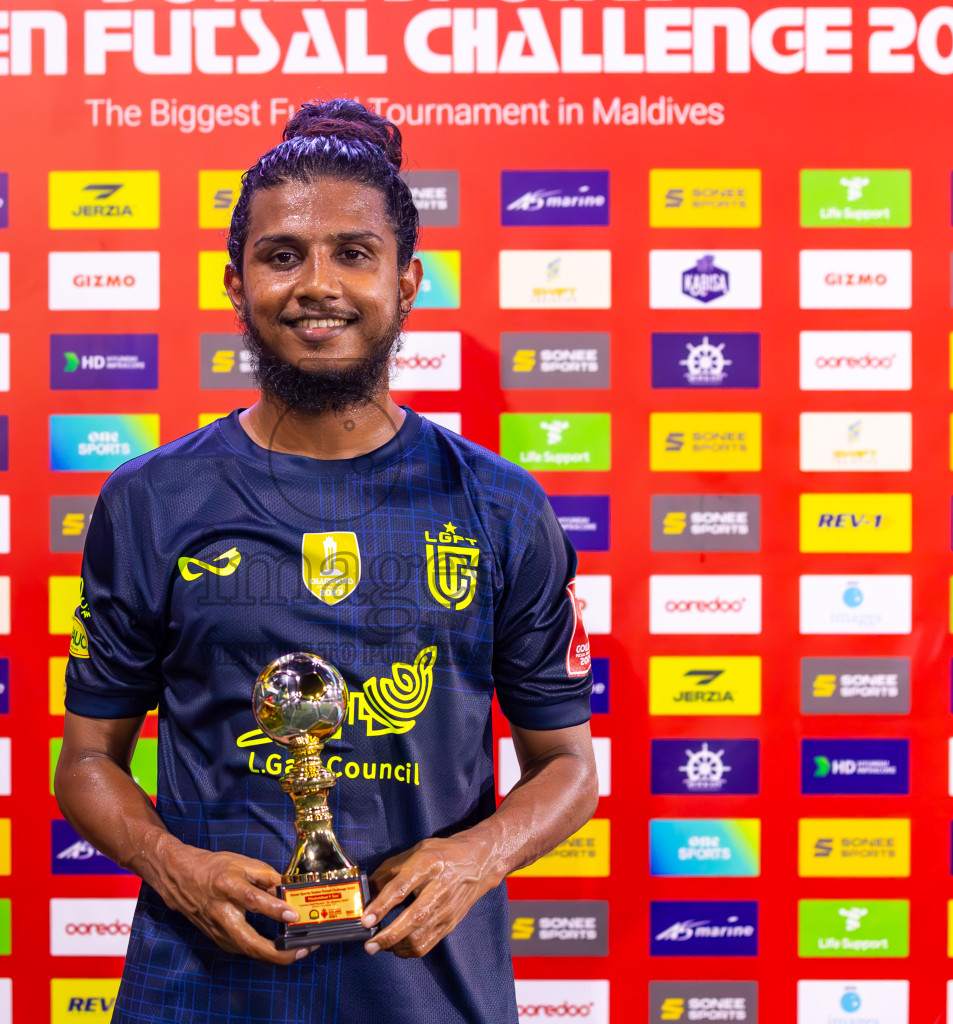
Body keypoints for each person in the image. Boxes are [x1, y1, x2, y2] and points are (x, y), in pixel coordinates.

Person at [54, 98, 600, 1024]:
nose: (317, 285)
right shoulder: (149, 501)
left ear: (408, 278)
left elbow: (568, 769)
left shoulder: (502, 506)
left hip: (430, 993)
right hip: (201, 993)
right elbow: (87, 762)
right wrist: (173, 865)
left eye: (354, 252)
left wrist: (477, 855)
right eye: (282, 256)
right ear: (236, 283)